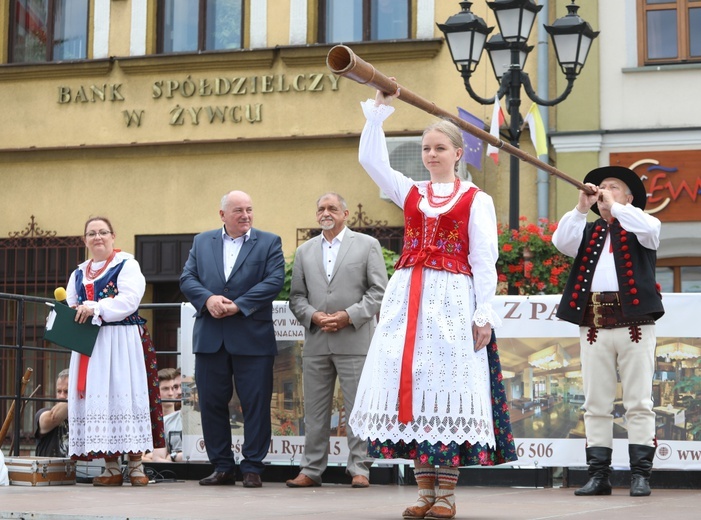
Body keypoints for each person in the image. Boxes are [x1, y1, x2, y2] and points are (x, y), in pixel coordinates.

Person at [347, 91, 516, 519]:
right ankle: (424, 493)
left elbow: (483, 259)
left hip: (452, 300)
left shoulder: (477, 199)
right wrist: (378, 115)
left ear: (458, 153)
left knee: (449, 386)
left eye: (440, 148)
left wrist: (483, 313)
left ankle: (448, 495)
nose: (431, 154)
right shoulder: (411, 191)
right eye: (426, 148)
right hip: (408, 300)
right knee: (415, 388)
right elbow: (372, 162)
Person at [553, 166, 664, 497]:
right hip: (595, 325)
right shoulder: (589, 231)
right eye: (600, 186)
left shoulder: (643, 225)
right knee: (596, 404)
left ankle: (640, 475)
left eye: (612, 187)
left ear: (628, 198)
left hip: (636, 325)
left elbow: (649, 228)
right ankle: (598, 475)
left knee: (639, 402)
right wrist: (581, 208)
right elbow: (562, 242)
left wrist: (614, 206)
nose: (603, 191)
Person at [180, 190, 285, 488]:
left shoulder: (268, 242)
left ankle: (252, 466)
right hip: (211, 335)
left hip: (252, 336)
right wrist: (208, 299)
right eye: (238, 210)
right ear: (222, 215)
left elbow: (274, 280)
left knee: (256, 403)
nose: (246, 215)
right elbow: (187, 278)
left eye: (249, 209)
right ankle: (222, 466)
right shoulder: (202, 242)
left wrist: (239, 305)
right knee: (211, 402)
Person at [286, 192, 388, 489]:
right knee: (315, 411)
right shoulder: (305, 251)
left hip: (354, 339)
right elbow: (296, 297)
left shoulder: (367, 245)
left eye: (332, 208)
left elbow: (378, 291)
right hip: (317, 341)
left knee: (358, 407)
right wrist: (314, 316)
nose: (325, 213)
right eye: (321, 208)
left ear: (345, 214)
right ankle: (311, 470)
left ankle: (359, 468)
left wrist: (348, 315)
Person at [66, 216, 154, 486]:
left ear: (113, 236)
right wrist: (71, 313)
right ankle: (111, 468)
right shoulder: (79, 272)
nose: (97, 237)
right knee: (100, 399)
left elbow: (129, 299)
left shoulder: (127, 264)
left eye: (103, 232)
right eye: (91, 234)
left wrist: (96, 307)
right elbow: (71, 302)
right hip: (91, 345)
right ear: (85, 240)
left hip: (121, 341)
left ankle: (137, 466)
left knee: (125, 394)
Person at [144, 368, 182, 462]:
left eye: (172, 388)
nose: (170, 393)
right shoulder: (148, 422)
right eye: (165, 389)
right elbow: (138, 458)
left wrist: (171, 456)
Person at [35, 369, 70, 457]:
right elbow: (53, 418)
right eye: (59, 391)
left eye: (67, 391)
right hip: (48, 470)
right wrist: (76, 399)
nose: (61, 396)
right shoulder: (44, 413)